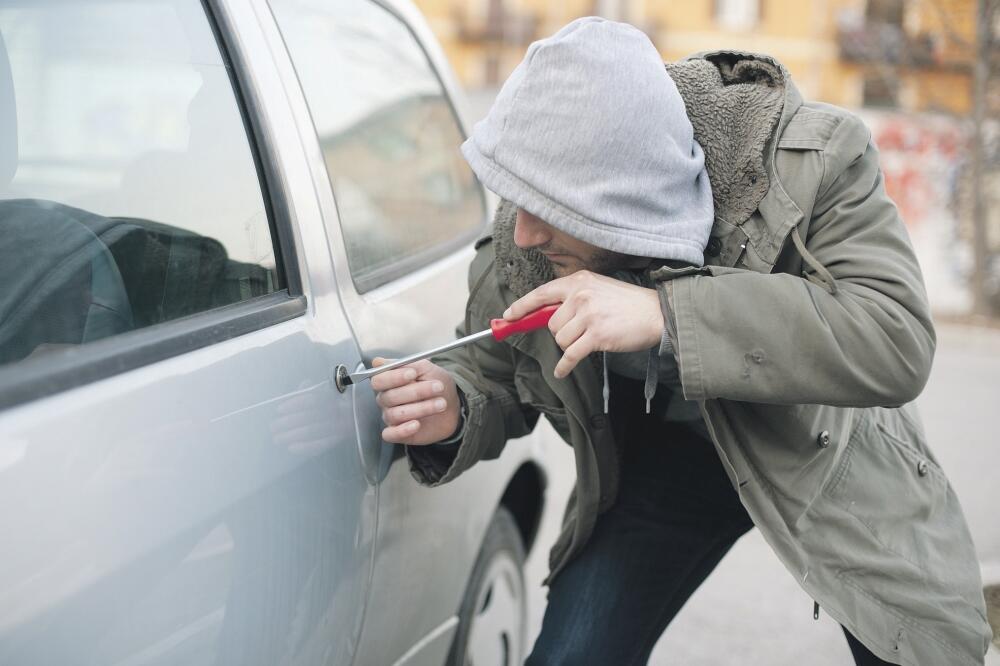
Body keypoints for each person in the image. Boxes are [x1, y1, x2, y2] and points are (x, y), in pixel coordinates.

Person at [370, 17, 992, 666]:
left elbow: (893, 337)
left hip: (822, 448)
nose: (522, 234)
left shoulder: (814, 161)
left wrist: (665, 314)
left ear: (622, 196)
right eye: (516, 200)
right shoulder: (529, 232)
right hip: (669, 464)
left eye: (547, 209)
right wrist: (456, 403)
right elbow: (498, 366)